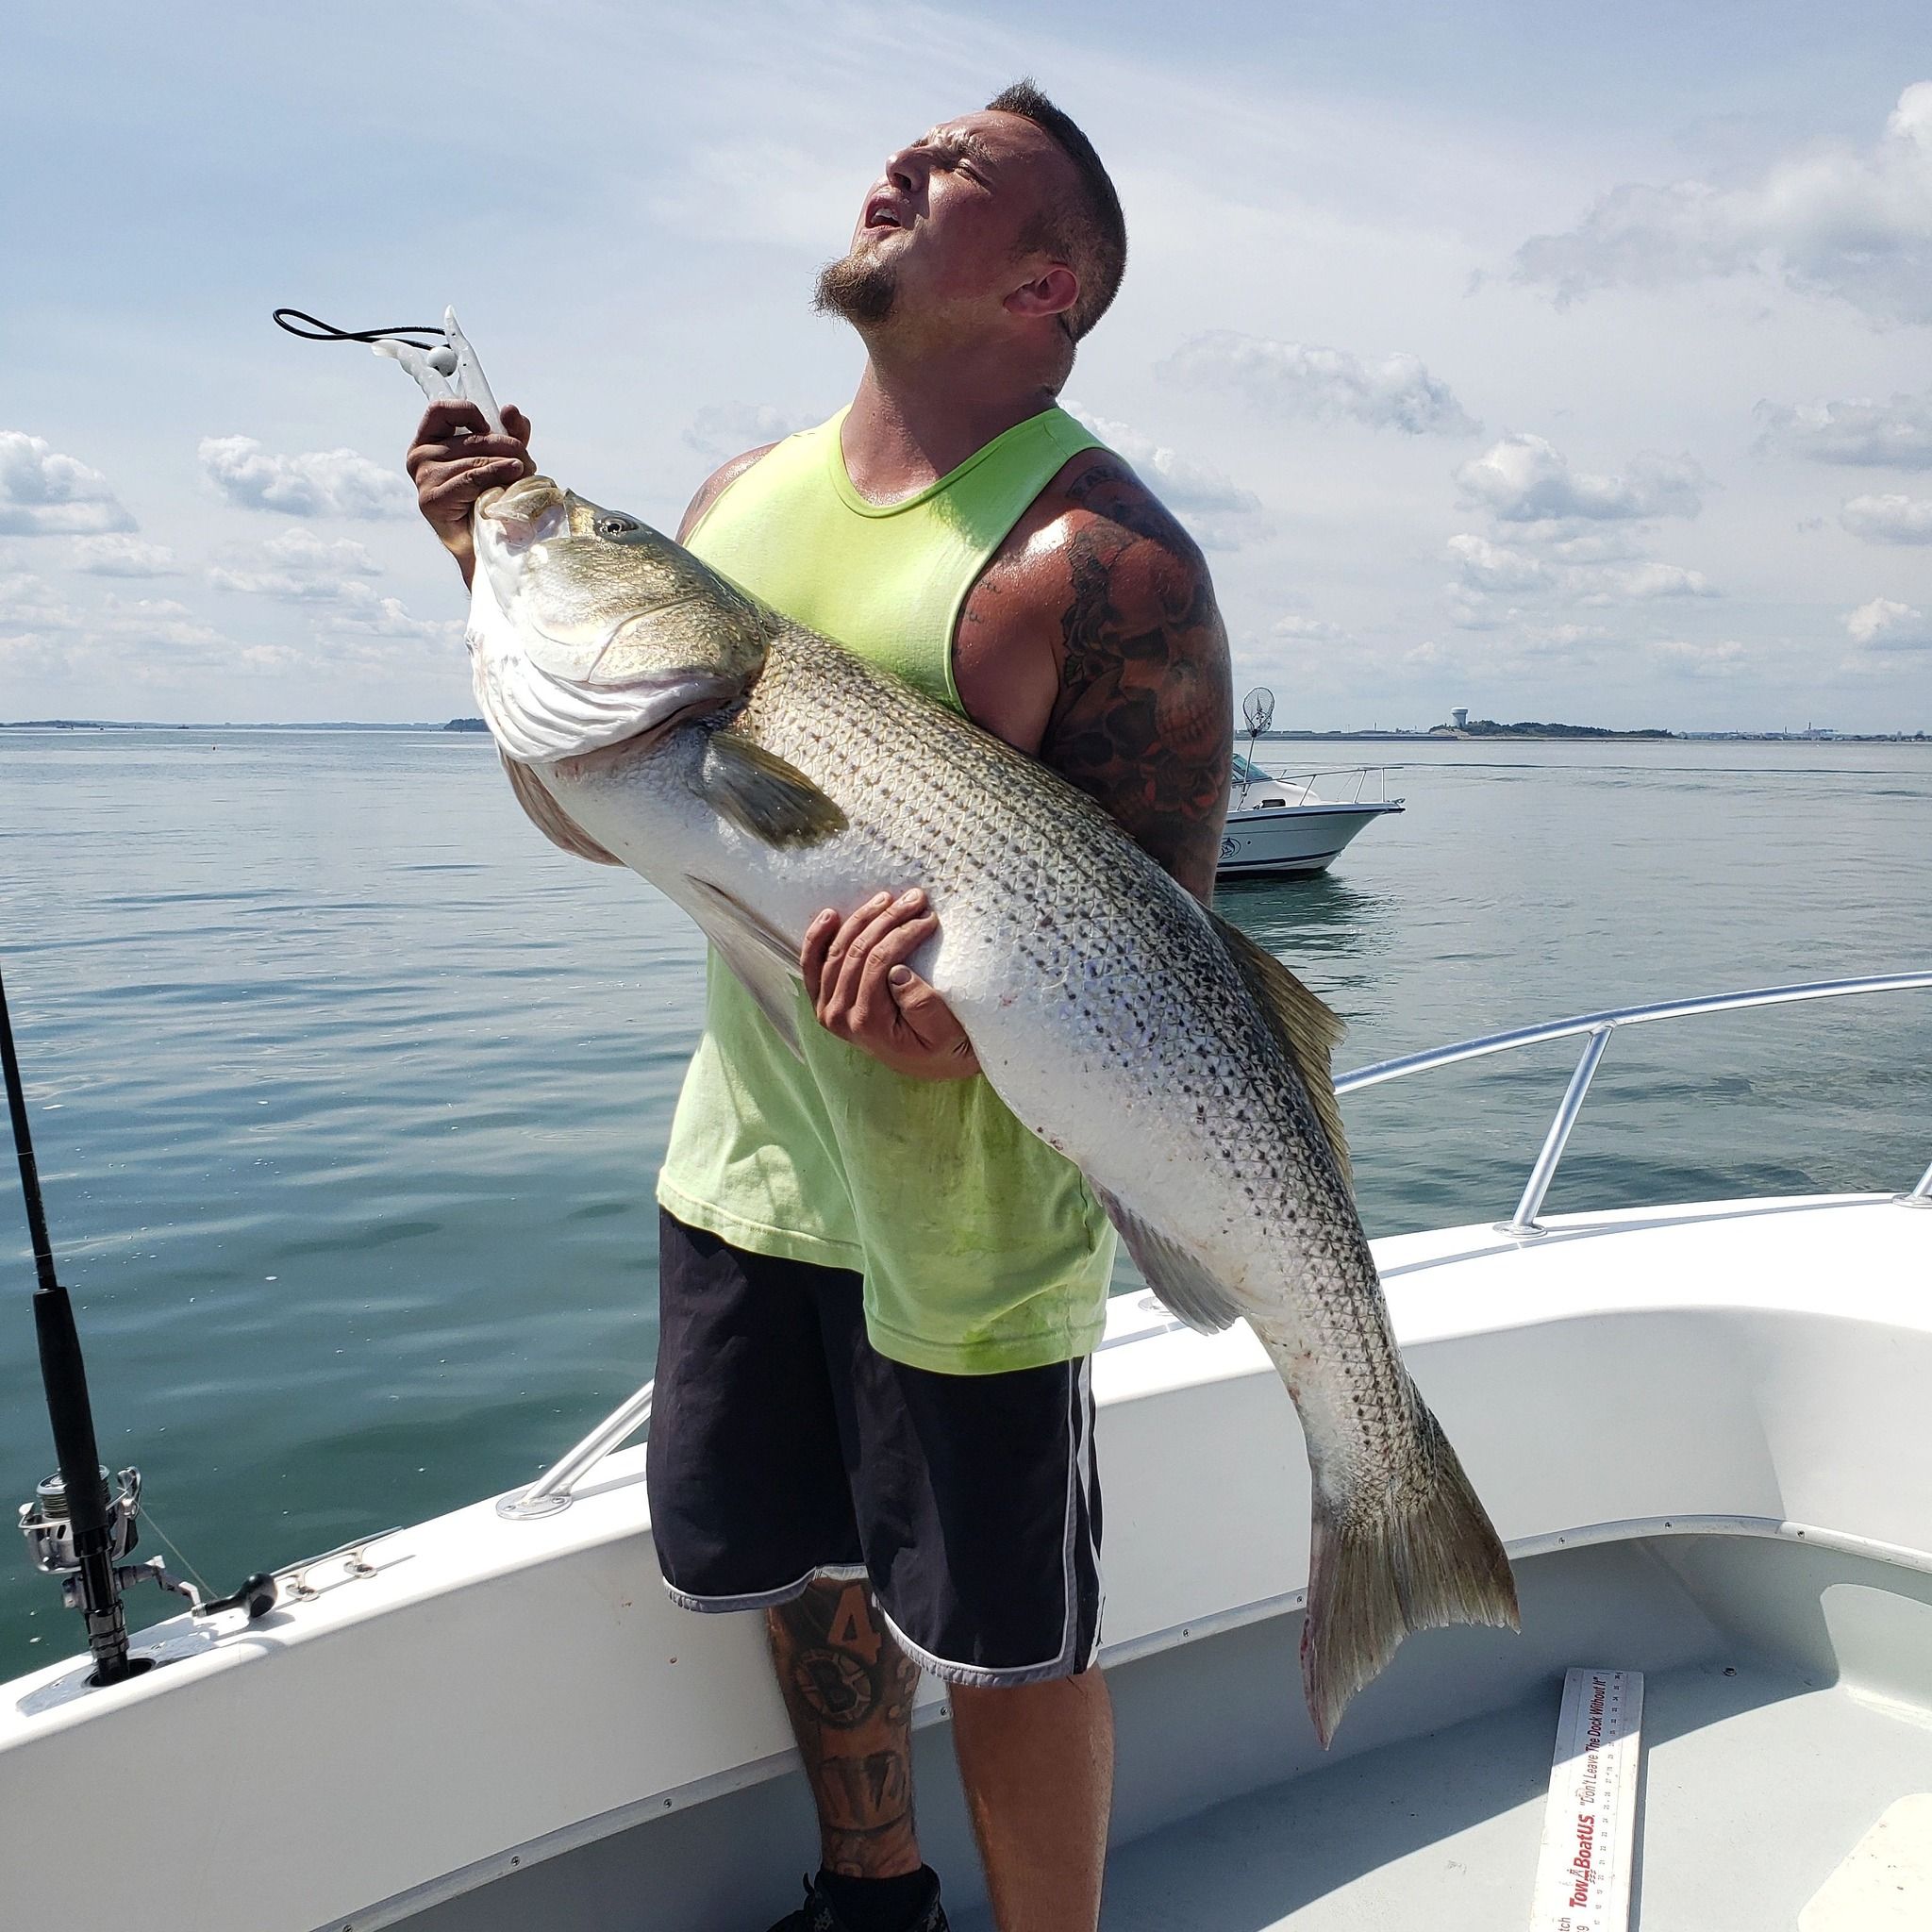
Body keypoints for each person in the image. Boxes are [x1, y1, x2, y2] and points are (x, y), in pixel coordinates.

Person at [408, 79, 1231, 1932]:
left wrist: (970, 1020)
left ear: (1048, 286)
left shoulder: (1101, 561)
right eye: (905, 152)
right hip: (750, 1175)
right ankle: (876, 1903)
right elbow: (596, 816)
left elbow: (1157, 958)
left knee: (1008, 1640)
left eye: (953, 177)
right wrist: (493, 567)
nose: (897, 171)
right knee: (804, 1567)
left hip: (978, 1227)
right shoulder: (727, 505)